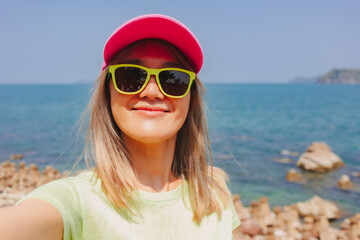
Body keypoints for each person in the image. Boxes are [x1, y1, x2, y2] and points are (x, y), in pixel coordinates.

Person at [0, 14, 241, 239]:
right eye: (131, 76)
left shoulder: (214, 196)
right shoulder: (76, 200)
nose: (152, 92)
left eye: (173, 79)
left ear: (191, 98)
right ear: (108, 93)